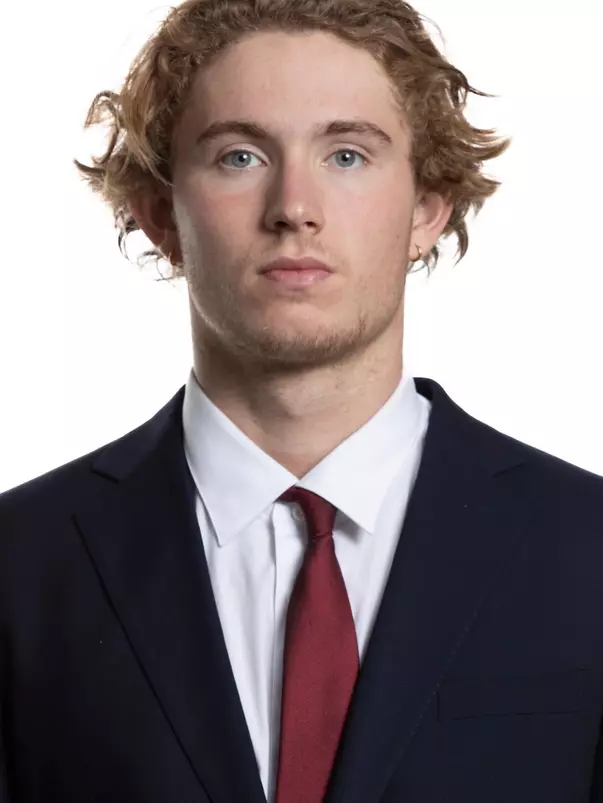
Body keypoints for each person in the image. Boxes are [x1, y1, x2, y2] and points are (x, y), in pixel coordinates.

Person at [1, 0, 603, 801]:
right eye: (239, 156)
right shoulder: (19, 566)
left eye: (347, 155)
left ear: (427, 206)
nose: (294, 206)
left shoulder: (586, 547)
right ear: (159, 214)